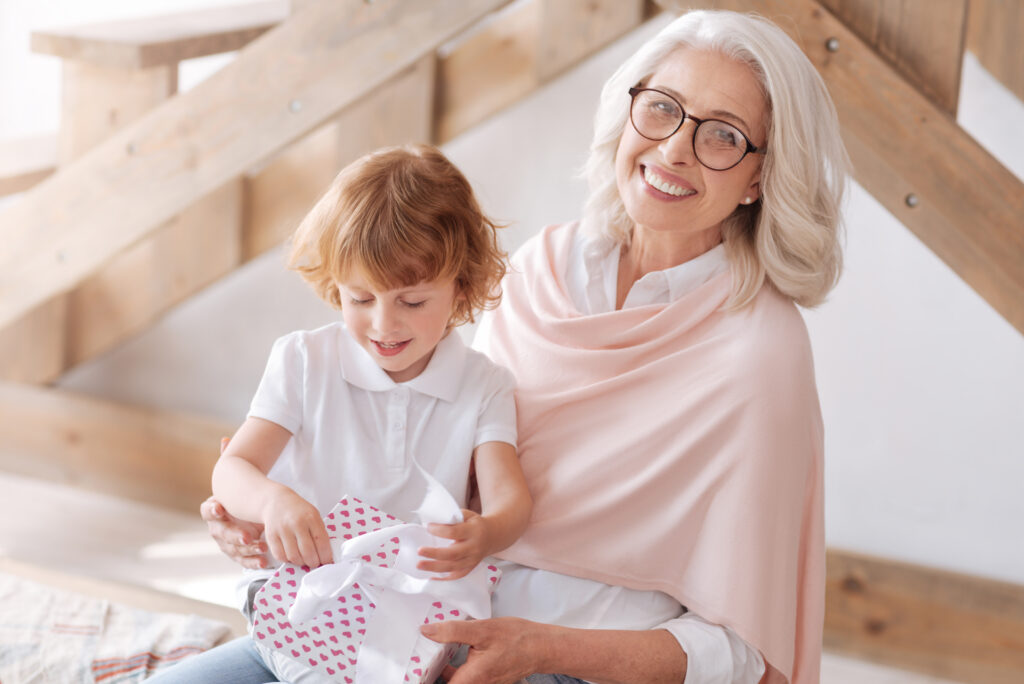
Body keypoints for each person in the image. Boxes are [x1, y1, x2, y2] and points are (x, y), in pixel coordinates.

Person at [204, 9, 847, 684]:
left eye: (723, 135)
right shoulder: (543, 267)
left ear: (759, 178)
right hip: (406, 621)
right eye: (662, 109)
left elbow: (743, 651)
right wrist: (251, 511)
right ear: (628, 114)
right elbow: (443, 470)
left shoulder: (760, 353)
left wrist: (540, 650)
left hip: (576, 665)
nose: (676, 149)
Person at [152, 144, 533, 684]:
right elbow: (231, 470)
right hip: (291, 618)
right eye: (360, 298)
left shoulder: (485, 384)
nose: (384, 324)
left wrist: (488, 532)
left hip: (406, 636)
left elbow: (511, 499)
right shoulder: (304, 359)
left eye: (412, 302)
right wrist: (272, 500)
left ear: (461, 288)